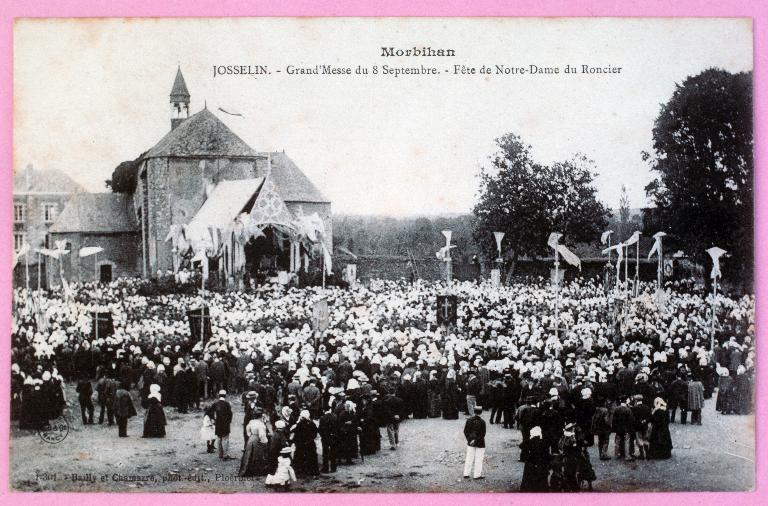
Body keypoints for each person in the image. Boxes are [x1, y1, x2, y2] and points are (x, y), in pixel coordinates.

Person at [239, 407, 270, 477]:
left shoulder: (251, 422)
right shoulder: (261, 424)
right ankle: (256, 470)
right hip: (257, 439)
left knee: (248, 455)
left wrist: (251, 435)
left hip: (251, 438)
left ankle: (247, 468)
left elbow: (247, 430)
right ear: (261, 416)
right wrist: (265, 443)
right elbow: (262, 435)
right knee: (257, 455)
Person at [520, 426, 550, 492]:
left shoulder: (531, 441)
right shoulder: (544, 442)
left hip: (531, 463)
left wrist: (529, 439)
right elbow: (547, 455)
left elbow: (522, 446)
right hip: (542, 464)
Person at [292, 410, 319, 477]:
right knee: (312, 458)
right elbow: (315, 433)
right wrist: (311, 439)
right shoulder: (312, 423)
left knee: (301, 458)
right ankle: (313, 473)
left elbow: (296, 433)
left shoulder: (300, 424)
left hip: (301, 444)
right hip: (310, 443)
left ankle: (301, 472)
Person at [462, 406, 486, 479]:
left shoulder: (469, 420)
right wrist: (476, 440)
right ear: (481, 412)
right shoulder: (482, 422)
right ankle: (477, 475)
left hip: (470, 442)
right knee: (479, 459)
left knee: (469, 457)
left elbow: (465, 431)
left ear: (474, 411)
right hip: (480, 443)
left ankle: (466, 473)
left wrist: (470, 440)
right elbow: (483, 434)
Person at [211, 390, 233, 460]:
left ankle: (220, 454)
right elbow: (230, 414)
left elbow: (210, 412)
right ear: (225, 396)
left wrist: (213, 420)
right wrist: (229, 421)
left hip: (218, 423)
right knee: (225, 439)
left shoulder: (215, 404)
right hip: (225, 423)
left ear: (219, 395)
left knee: (219, 438)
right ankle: (225, 454)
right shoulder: (227, 404)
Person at [318, 406, 339, 473]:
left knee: (325, 453)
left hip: (325, 438)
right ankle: (333, 468)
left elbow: (320, 429)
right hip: (333, 437)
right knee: (333, 452)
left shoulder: (322, 418)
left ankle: (326, 468)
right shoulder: (335, 416)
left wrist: (323, 436)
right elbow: (337, 428)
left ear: (324, 410)